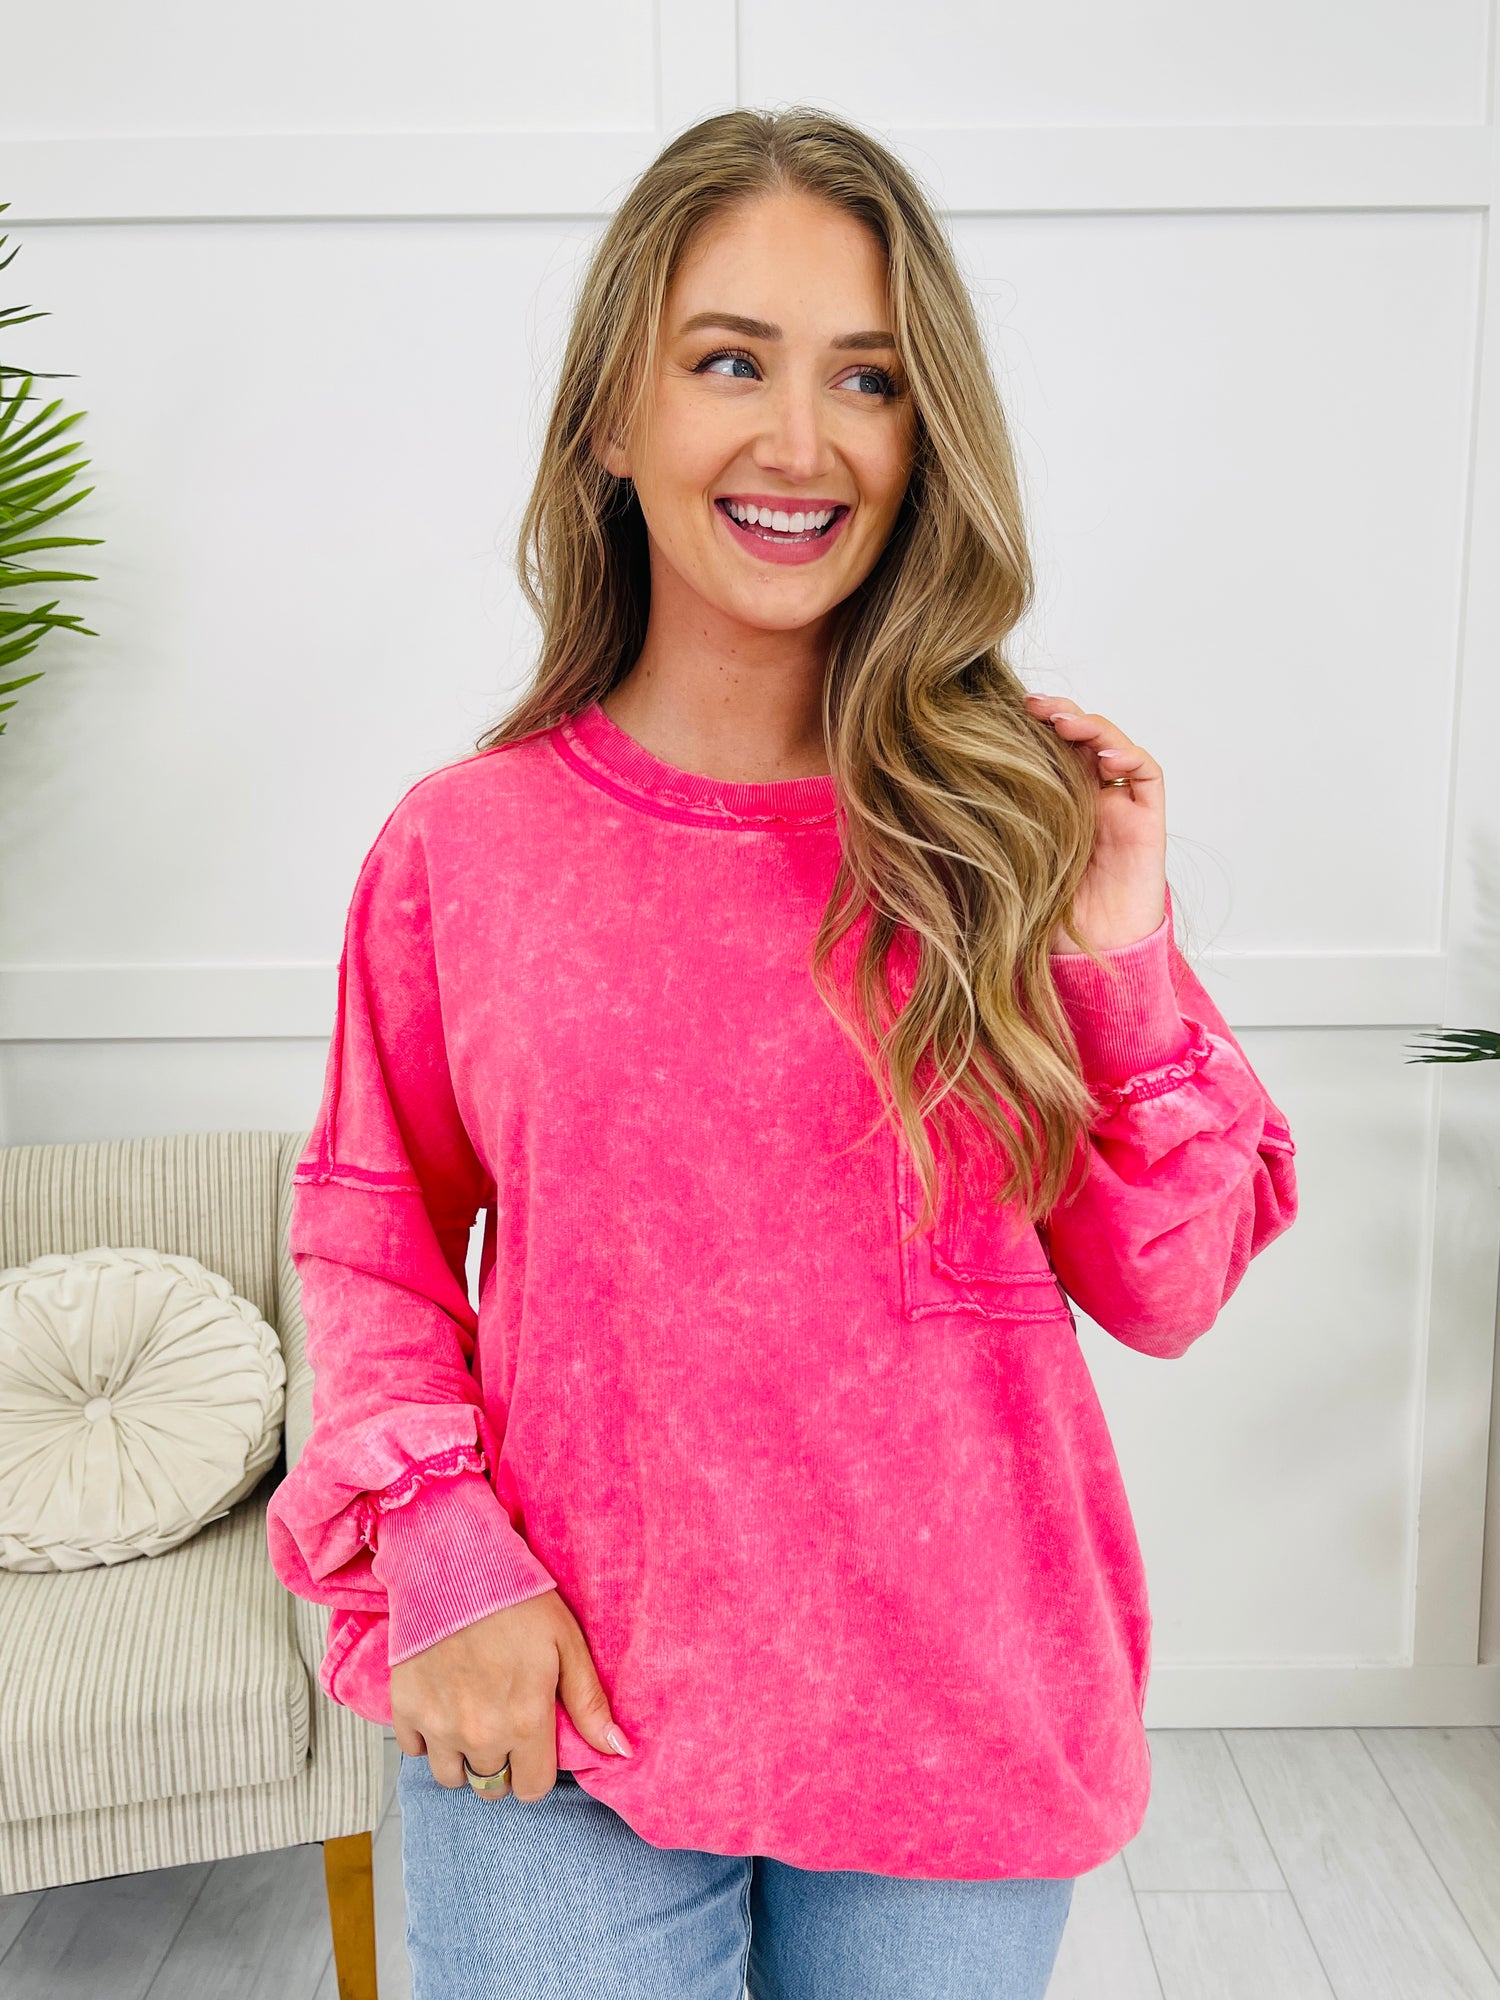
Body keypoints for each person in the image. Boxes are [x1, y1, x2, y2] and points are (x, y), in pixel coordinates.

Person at [266, 104, 1299, 2000]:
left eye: (869, 378)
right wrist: (444, 1550)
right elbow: (370, 1237)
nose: (801, 443)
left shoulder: (1012, 832)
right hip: (560, 1692)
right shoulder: (466, 848)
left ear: (926, 434)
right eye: (729, 362)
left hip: (958, 1706)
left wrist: (1117, 942)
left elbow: (1163, 1286)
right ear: (613, 414)